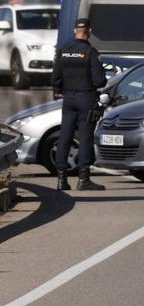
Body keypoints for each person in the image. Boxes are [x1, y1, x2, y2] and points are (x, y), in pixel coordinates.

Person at [52, 18, 107, 191]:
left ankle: (61, 180)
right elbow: (99, 81)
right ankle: (84, 179)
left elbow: (56, 77)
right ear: (89, 31)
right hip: (86, 98)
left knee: (65, 136)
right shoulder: (90, 52)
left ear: (75, 30)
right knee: (85, 138)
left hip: (68, 98)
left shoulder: (64, 50)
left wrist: (60, 89)